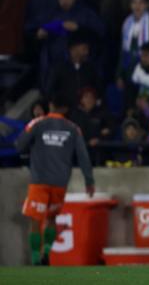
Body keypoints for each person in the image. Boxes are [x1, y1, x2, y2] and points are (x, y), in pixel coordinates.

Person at [16, 94, 95, 265]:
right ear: (66, 109)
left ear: (50, 105)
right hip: (60, 182)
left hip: (39, 180)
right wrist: (89, 181)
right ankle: (46, 252)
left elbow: (19, 144)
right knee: (51, 218)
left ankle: (36, 257)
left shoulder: (37, 123)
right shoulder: (73, 128)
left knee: (36, 218)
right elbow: (83, 157)